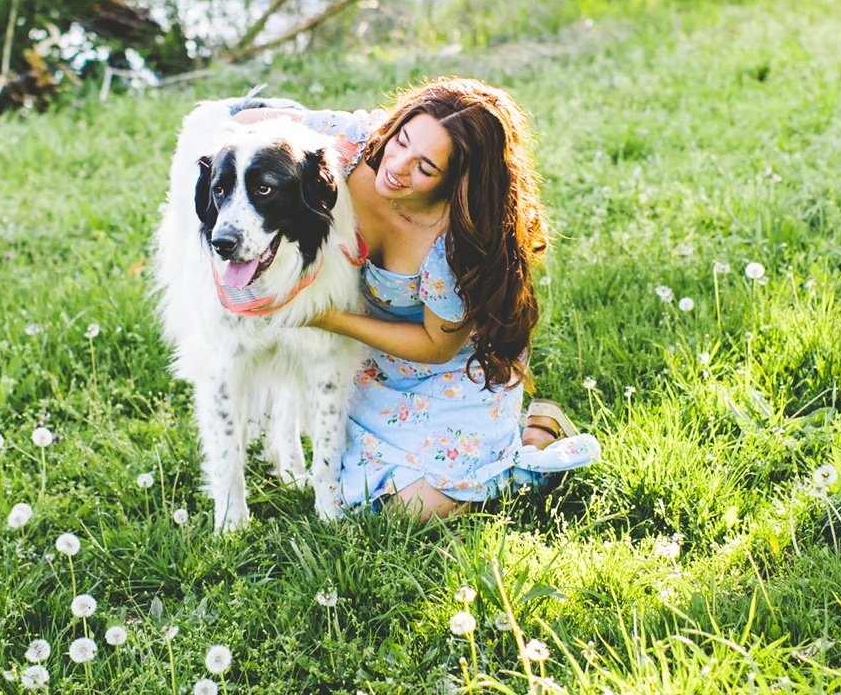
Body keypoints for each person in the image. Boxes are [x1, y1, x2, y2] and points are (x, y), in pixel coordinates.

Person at [237, 77, 597, 521]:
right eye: (403, 140)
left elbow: (436, 344)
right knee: (353, 494)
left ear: (457, 183)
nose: (398, 167)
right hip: (373, 364)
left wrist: (325, 317)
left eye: (425, 168)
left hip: (451, 372)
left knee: (417, 509)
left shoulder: (457, 241)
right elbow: (249, 121)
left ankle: (536, 442)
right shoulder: (355, 147)